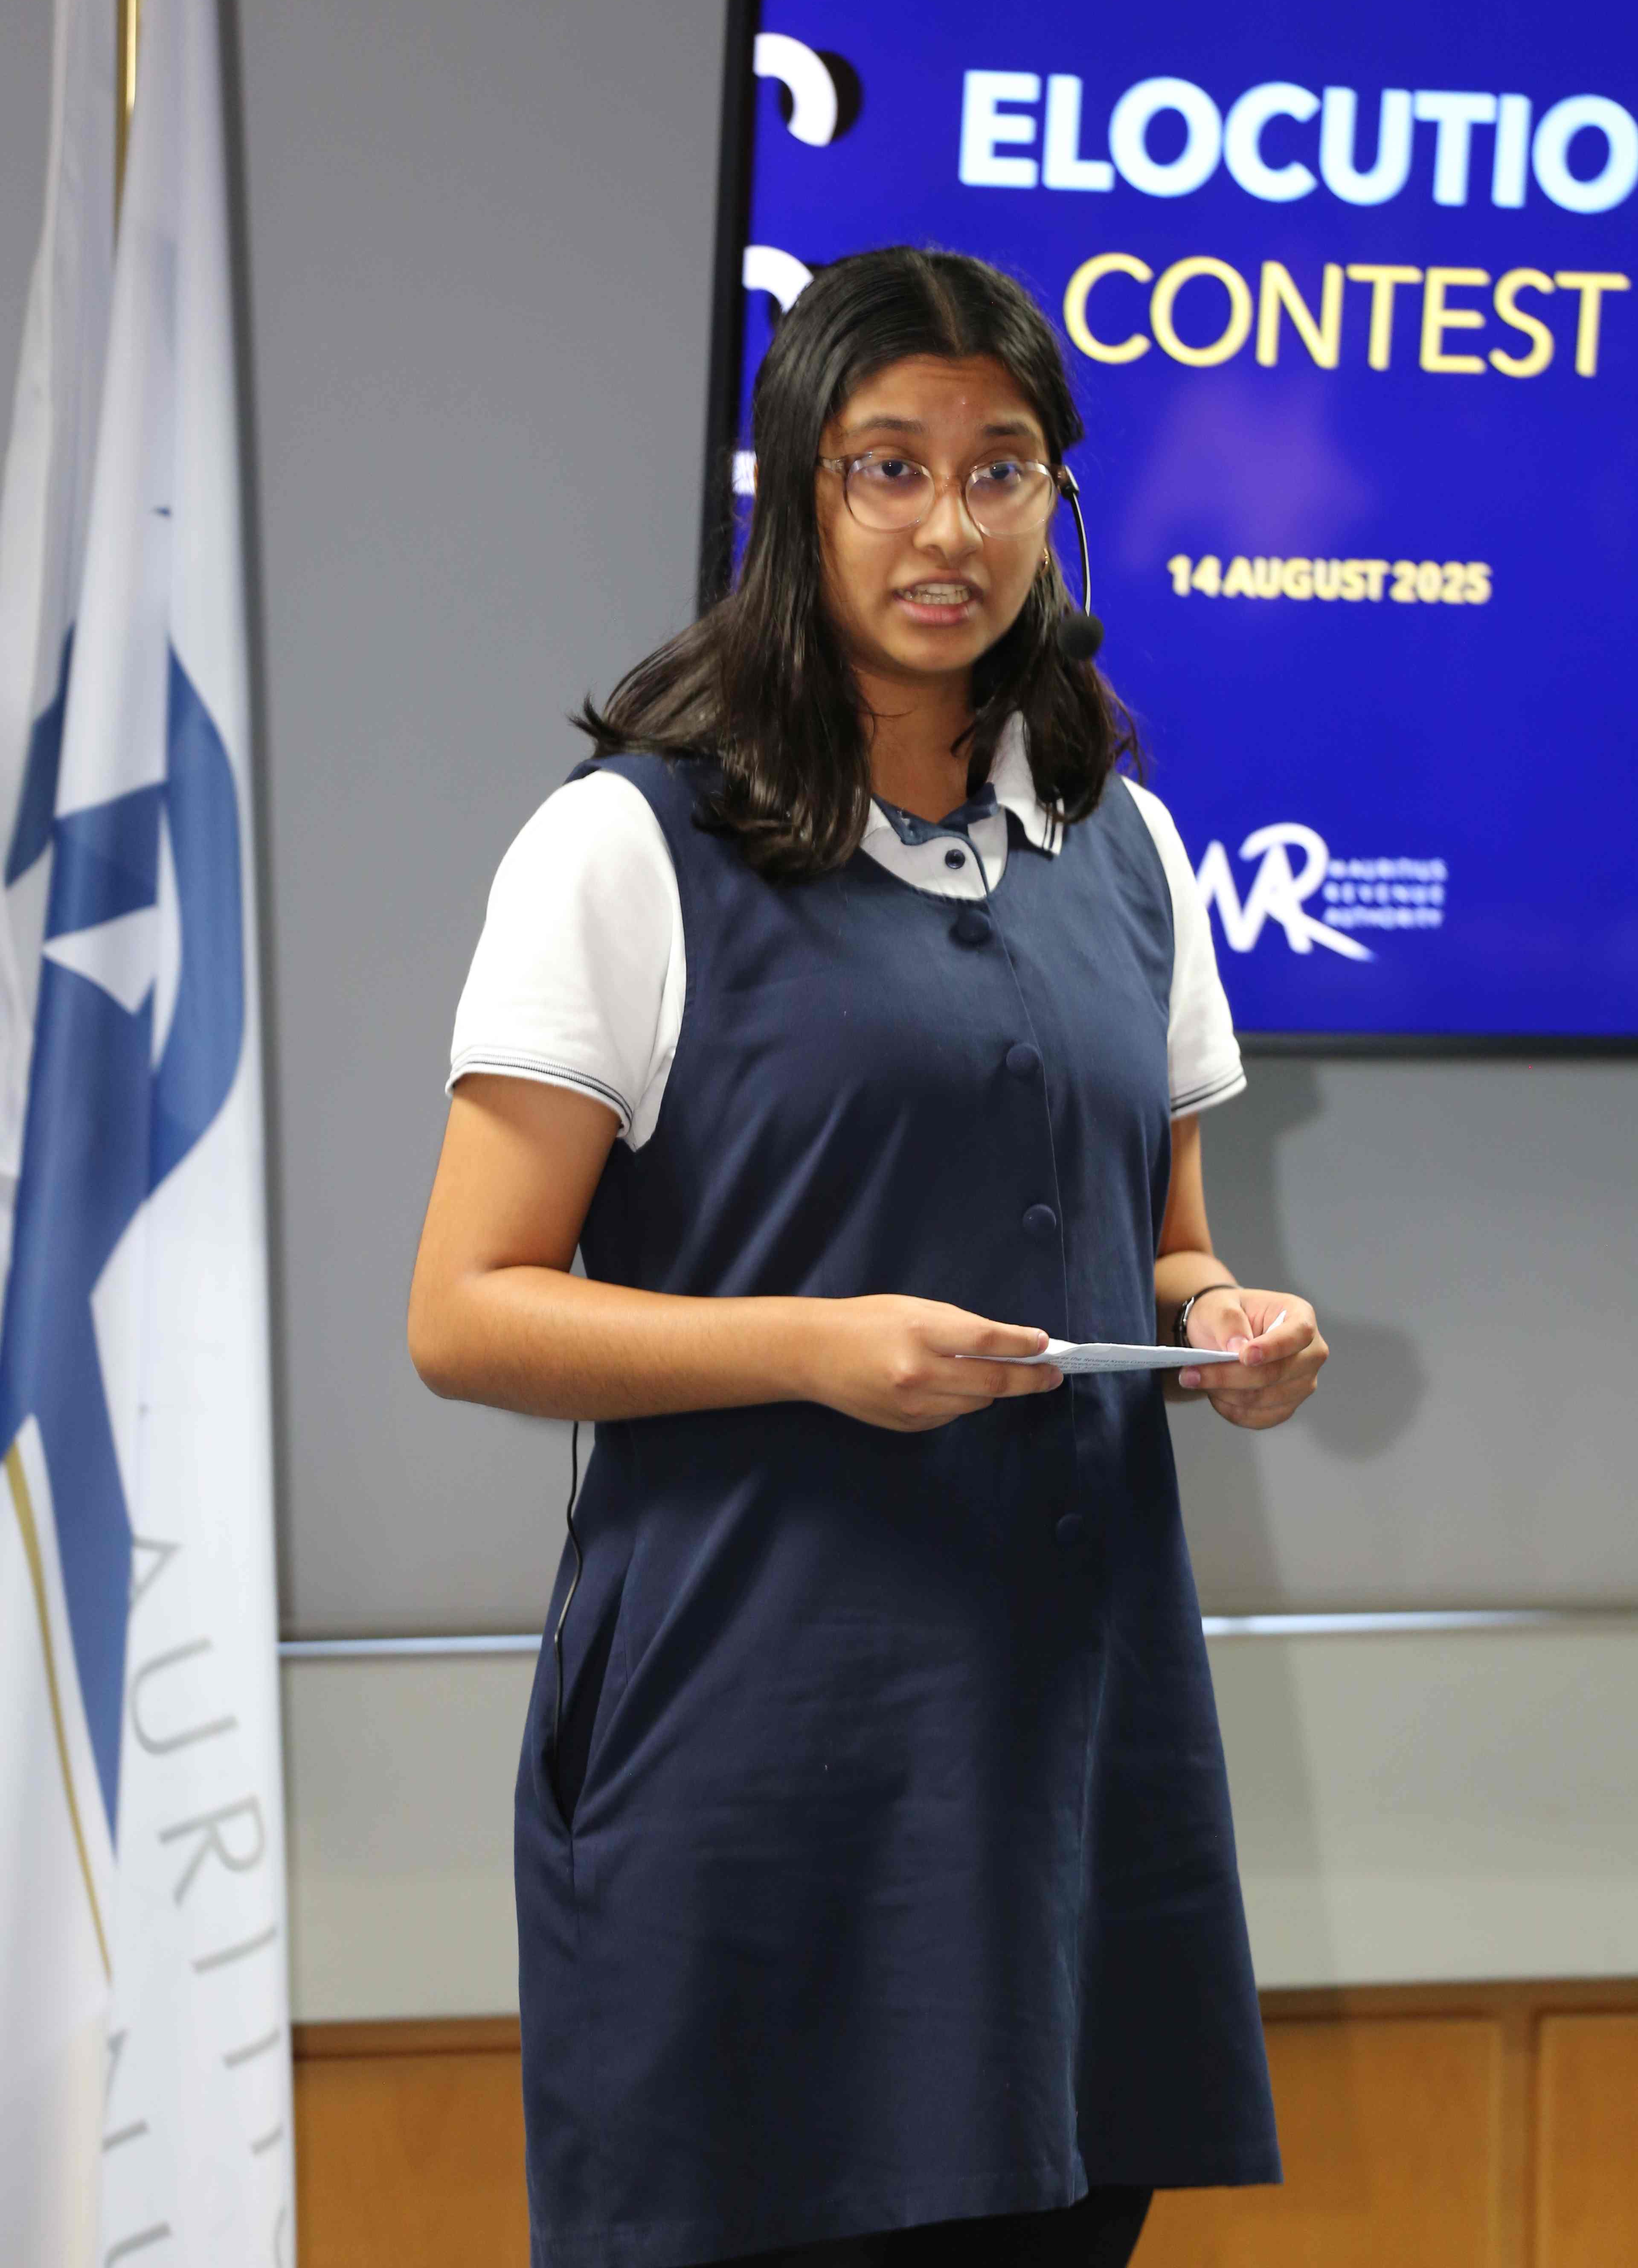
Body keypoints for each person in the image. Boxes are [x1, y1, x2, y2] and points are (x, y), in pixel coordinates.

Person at [408, 247, 1328, 2268]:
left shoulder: (1128, 849)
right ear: (794, 494)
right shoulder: (629, 847)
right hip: (756, 1768)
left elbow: (1162, 1239)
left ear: (1056, 504)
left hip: (1069, 1770)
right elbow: (465, 1312)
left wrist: (1227, 1320)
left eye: (1003, 471)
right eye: (887, 466)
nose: (950, 526)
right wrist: (812, 1348)